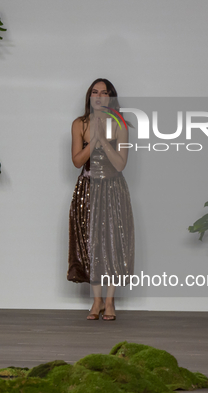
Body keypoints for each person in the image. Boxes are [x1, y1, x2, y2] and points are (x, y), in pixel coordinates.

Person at [67, 78, 135, 321]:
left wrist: (104, 141)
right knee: (91, 243)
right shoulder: (79, 124)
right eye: (94, 92)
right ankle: (96, 301)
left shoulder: (120, 125)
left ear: (110, 97)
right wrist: (92, 141)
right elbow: (76, 161)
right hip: (87, 189)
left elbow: (120, 164)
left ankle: (110, 300)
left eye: (103, 93)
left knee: (113, 243)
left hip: (113, 189)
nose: (98, 97)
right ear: (89, 96)